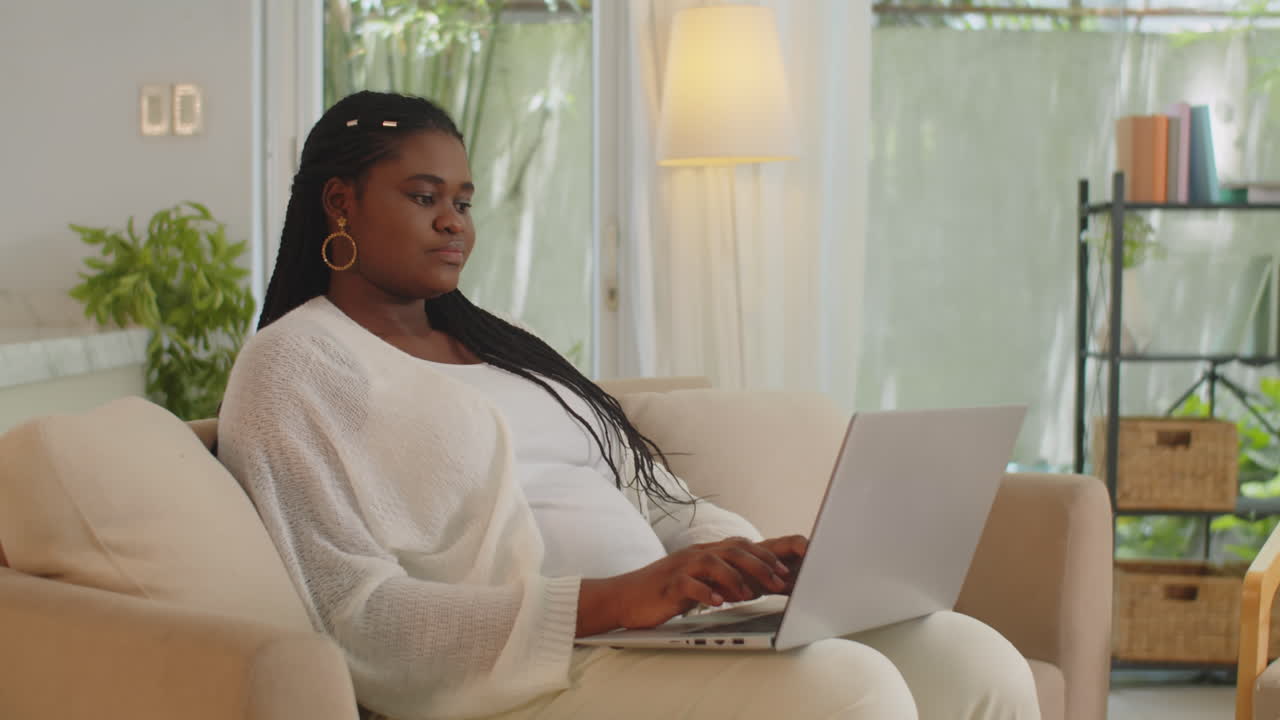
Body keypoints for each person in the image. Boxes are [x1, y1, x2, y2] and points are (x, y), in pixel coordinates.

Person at [217, 90, 1040, 720]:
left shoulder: (504, 348)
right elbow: (357, 617)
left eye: (463, 202)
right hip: (527, 673)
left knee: (974, 658)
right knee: (849, 690)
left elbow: (661, 507)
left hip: (652, 632)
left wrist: (755, 565)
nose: (453, 224)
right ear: (340, 203)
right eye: (423, 196)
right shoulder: (292, 367)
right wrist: (610, 601)